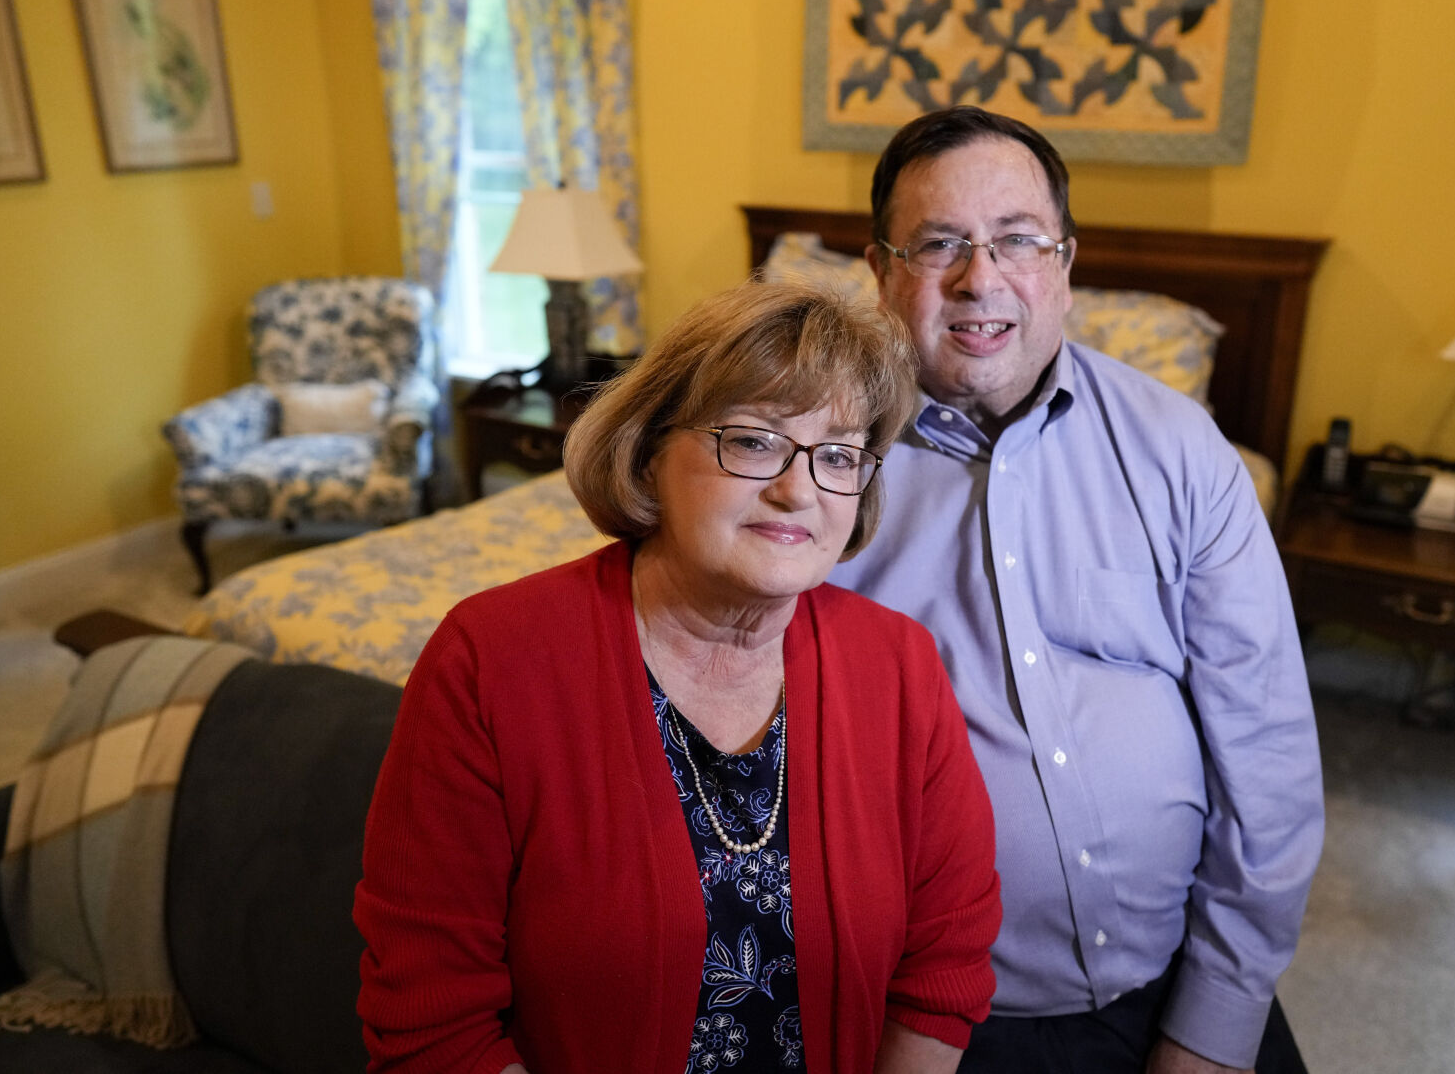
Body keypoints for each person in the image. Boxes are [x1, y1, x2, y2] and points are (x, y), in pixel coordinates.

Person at [355, 277, 1002, 1074]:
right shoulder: (488, 661)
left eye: (837, 454)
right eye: (754, 439)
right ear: (651, 449)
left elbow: (945, 959)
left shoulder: (899, 666)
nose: (797, 489)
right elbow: (431, 1019)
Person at [829, 106, 1324, 1074]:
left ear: (1063, 264)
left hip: (1180, 986)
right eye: (939, 244)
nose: (981, 279)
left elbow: (1266, 757)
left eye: (1016, 239)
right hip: (931, 1021)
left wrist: (1211, 1026)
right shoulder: (820, 465)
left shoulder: (1183, 450)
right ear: (881, 270)